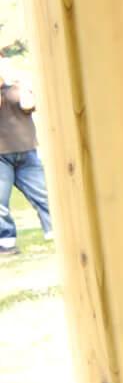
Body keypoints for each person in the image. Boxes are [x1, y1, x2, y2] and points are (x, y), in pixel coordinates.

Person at [0, 73, 49, 257]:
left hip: (26, 152)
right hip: (1, 157)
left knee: (43, 194)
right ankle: (6, 241)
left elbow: (29, 105)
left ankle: (55, 231)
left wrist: (22, 86)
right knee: (0, 203)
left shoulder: (15, 88)